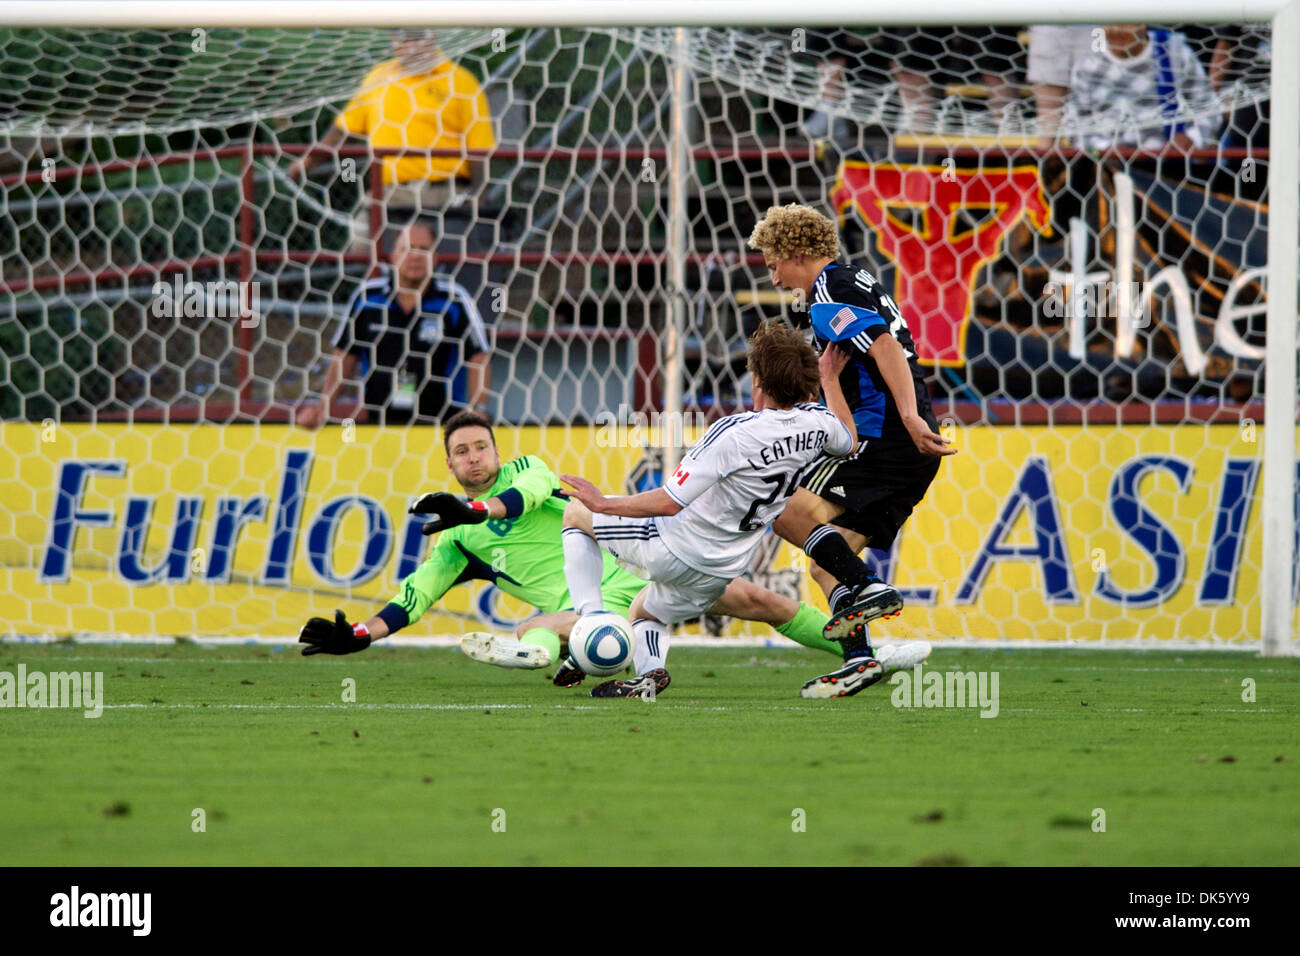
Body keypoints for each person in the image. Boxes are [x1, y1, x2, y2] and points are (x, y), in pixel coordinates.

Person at [296, 410, 900, 677]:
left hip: (633, 562)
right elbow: (413, 597)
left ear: (497, 452)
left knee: (764, 602)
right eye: (461, 452)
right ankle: (544, 651)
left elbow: (528, 497)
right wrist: (356, 636)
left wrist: (475, 507)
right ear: (449, 462)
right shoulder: (455, 540)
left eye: (481, 447)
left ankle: (867, 650)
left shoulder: (525, 471)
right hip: (594, 607)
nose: (474, 457)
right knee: (543, 625)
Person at [558, 320, 877, 700]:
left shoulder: (733, 431)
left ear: (758, 380)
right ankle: (650, 674)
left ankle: (589, 620)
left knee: (576, 513)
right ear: (808, 382)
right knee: (646, 612)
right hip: (721, 569)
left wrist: (603, 503)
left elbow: (669, 501)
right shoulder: (819, 425)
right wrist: (831, 378)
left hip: (672, 545)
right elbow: (849, 438)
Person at [746, 203, 956, 698]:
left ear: (796, 252)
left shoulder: (828, 293)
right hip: (905, 453)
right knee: (824, 563)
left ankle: (870, 588)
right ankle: (860, 660)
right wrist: (828, 382)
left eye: (773, 263)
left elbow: (882, 346)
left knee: (783, 506)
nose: (772, 276)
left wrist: (908, 417)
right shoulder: (855, 279)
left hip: (890, 441)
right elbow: (867, 359)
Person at [288, 28, 495, 250]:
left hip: (445, 193)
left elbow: (480, 149)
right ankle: (376, 285)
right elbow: (344, 131)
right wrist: (307, 162)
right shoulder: (378, 78)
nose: (410, 47)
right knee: (362, 245)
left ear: (433, 37)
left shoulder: (461, 81)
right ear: (393, 41)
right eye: (403, 39)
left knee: (443, 254)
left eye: (417, 38)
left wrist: (479, 196)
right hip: (389, 193)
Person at [297, 222, 490, 428]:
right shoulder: (367, 298)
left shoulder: (454, 300)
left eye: (423, 249)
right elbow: (344, 355)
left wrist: (478, 412)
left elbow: (478, 357)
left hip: (443, 425)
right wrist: (322, 408)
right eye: (406, 248)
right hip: (380, 424)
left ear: (435, 258)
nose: (415, 255)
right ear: (393, 256)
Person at [1066, 25, 1220, 154]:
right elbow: (1076, 126)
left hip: (1168, 164)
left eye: (1125, 23)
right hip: (1109, 167)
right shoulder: (1088, 66)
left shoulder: (1173, 51)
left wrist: (1193, 138)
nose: (1117, 30)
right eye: (1110, 22)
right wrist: (1104, 149)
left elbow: (1209, 108)